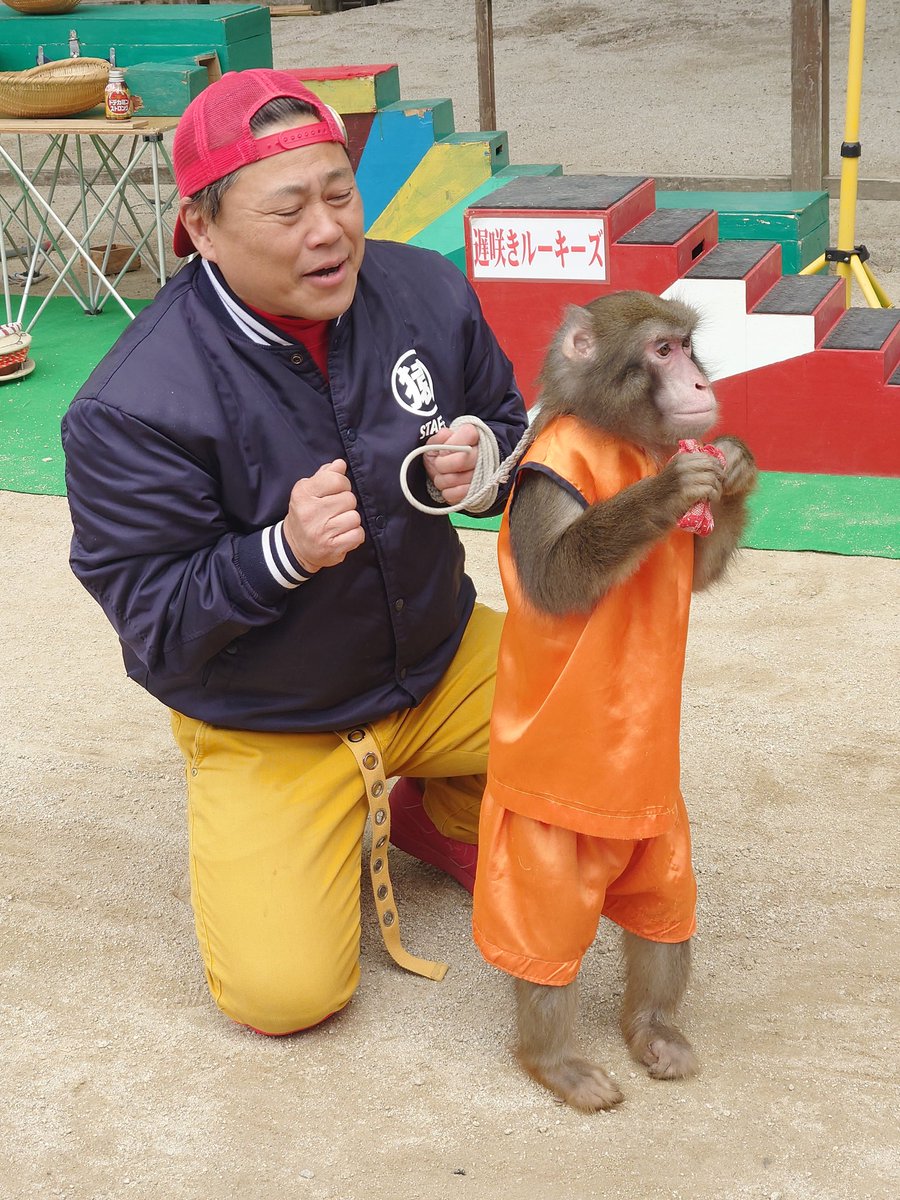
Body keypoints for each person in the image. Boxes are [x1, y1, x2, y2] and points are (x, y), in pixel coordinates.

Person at [62, 68, 527, 1036]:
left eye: (339, 193)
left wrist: (483, 460)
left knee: (611, 713)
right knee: (286, 998)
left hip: (437, 661)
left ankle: (436, 812)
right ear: (202, 227)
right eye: (288, 209)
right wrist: (279, 553)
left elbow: (510, 423)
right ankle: (292, 810)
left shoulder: (424, 289)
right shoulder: (132, 404)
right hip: (270, 715)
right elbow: (155, 624)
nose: (329, 230)